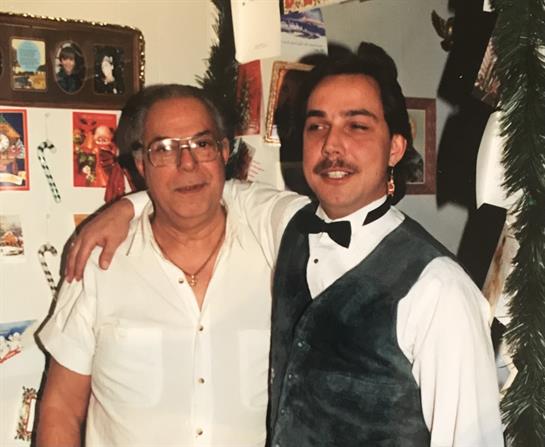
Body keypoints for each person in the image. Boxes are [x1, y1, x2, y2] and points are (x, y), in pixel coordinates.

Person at [64, 52, 503, 446]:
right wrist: (131, 205)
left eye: (357, 125)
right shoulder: (287, 226)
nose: (332, 145)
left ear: (395, 148)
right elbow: (207, 187)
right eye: (317, 126)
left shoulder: (438, 288)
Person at [37, 84, 305, 447]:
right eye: (164, 149)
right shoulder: (99, 262)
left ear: (224, 152)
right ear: (140, 165)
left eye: (202, 144)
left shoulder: (274, 248)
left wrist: (130, 203)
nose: (187, 163)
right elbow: (62, 408)